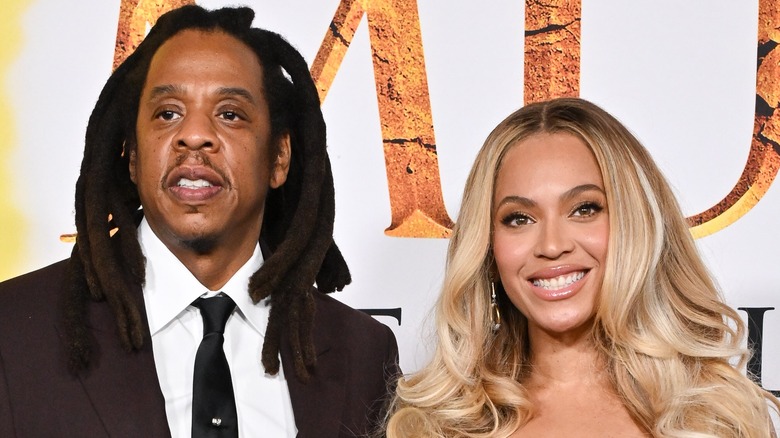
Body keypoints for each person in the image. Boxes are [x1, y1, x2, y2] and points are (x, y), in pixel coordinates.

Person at [0, 5, 398, 437]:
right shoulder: (14, 330)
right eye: (168, 112)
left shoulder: (364, 355)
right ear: (132, 156)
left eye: (230, 113)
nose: (194, 134)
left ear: (279, 158)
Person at [385, 97, 779, 437]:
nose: (552, 246)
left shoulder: (715, 418)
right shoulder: (440, 425)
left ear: (634, 224)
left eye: (585, 209)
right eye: (519, 218)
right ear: (487, 248)